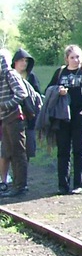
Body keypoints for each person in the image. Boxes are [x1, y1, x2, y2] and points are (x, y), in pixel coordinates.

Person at [47, 44, 82, 195]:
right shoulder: (60, 73)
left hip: (79, 116)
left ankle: (79, 184)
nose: (76, 60)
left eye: (78, 57)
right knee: (63, 151)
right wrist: (59, 91)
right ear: (67, 59)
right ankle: (63, 185)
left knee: (79, 150)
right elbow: (48, 90)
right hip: (63, 116)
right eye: (72, 57)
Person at [0, 49, 31, 198]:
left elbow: (22, 93)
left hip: (14, 118)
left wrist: (5, 105)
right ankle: (16, 186)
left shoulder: (9, 74)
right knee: (10, 153)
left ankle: (21, 186)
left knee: (18, 153)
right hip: (6, 119)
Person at [11, 48, 42, 161]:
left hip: (28, 118)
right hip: (11, 116)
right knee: (11, 150)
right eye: (21, 60)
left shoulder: (31, 77)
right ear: (15, 62)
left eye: (26, 61)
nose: (24, 63)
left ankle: (24, 171)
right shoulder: (9, 76)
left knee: (27, 149)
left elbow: (37, 97)